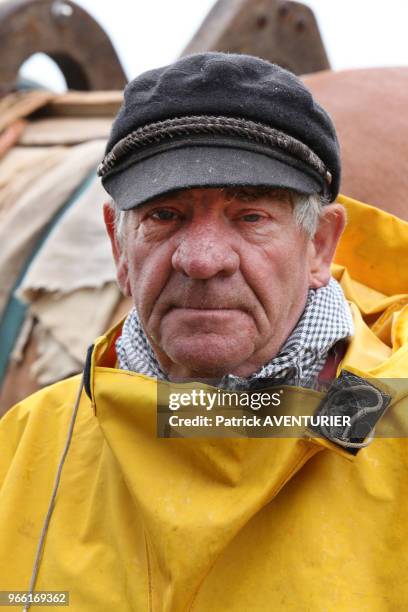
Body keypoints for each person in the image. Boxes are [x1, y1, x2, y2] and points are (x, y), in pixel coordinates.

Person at [1, 53, 407, 611]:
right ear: (119, 248)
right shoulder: (24, 446)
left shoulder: (396, 431)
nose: (202, 259)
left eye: (251, 216)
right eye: (165, 215)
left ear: (319, 246)